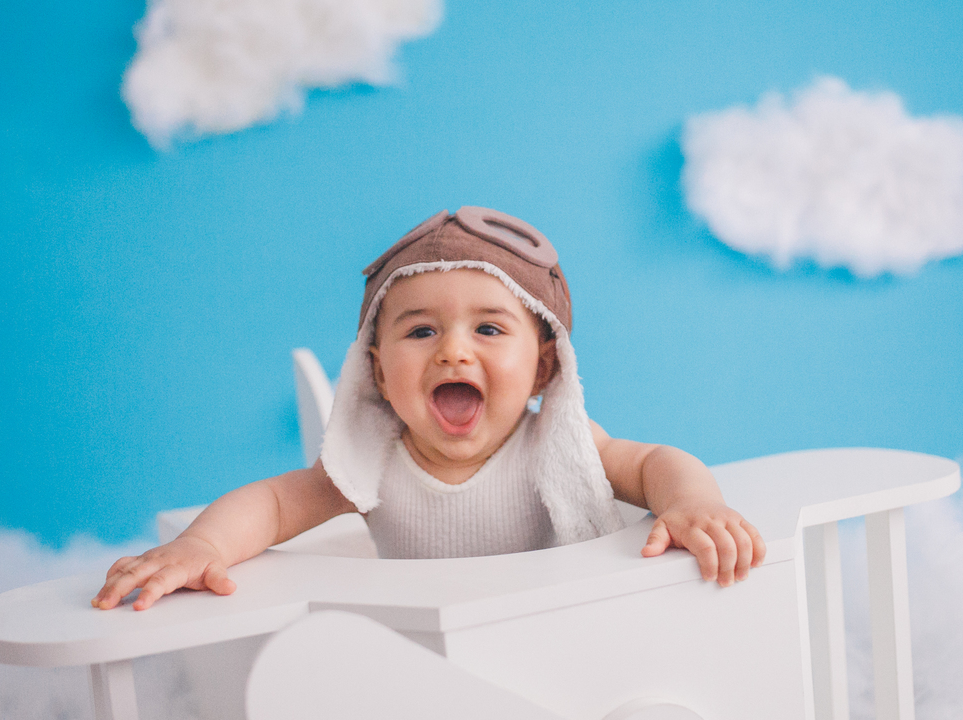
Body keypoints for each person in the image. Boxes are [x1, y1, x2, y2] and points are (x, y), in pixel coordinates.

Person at [92, 207, 765, 612]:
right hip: (428, 642)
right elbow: (271, 505)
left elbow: (651, 464)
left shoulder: (553, 445)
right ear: (378, 372)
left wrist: (692, 503)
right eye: (420, 332)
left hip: (551, 626)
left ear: (544, 364)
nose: (452, 353)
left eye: (490, 330)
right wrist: (201, 546)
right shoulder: (371, 464)